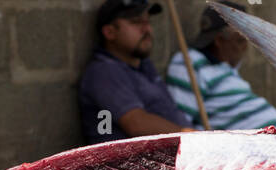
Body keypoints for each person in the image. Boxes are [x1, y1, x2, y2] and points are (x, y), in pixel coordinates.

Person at [165, 2, 276, 135]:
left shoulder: (224, 68)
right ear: (219, 41)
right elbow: (183, 125)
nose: (245, 47)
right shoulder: (189, 63)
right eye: (240, 40)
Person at [79, 0, 194, 144]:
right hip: (129, 164)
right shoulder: (103, 71)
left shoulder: (143, 65)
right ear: (110, 32)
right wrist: (190, 136)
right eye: (136, 22)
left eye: (147, 22)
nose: (146, 29)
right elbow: (136, 124)